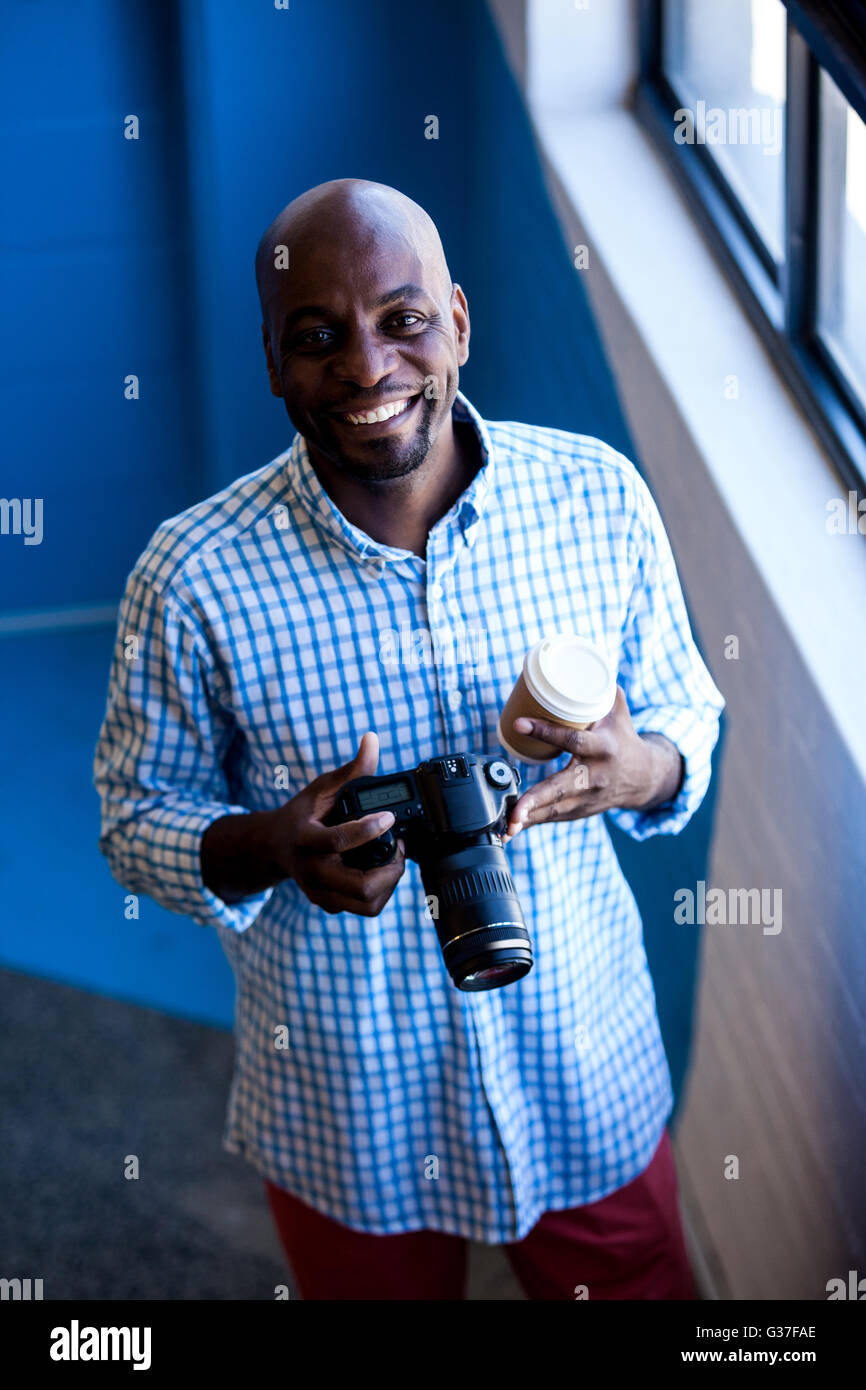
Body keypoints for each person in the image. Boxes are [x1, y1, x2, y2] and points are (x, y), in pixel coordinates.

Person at [93, 178, 725, 1300]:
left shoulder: (596, 499)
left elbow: (685, 715)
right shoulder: (190, 577)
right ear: (273, 358)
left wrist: (641, 769)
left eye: (403, 320)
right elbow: (137, 821)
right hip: (347, 1107)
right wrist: (270, 845)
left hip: (581, 1066)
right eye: (316, 337)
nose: (367, 367)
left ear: (460, 324)